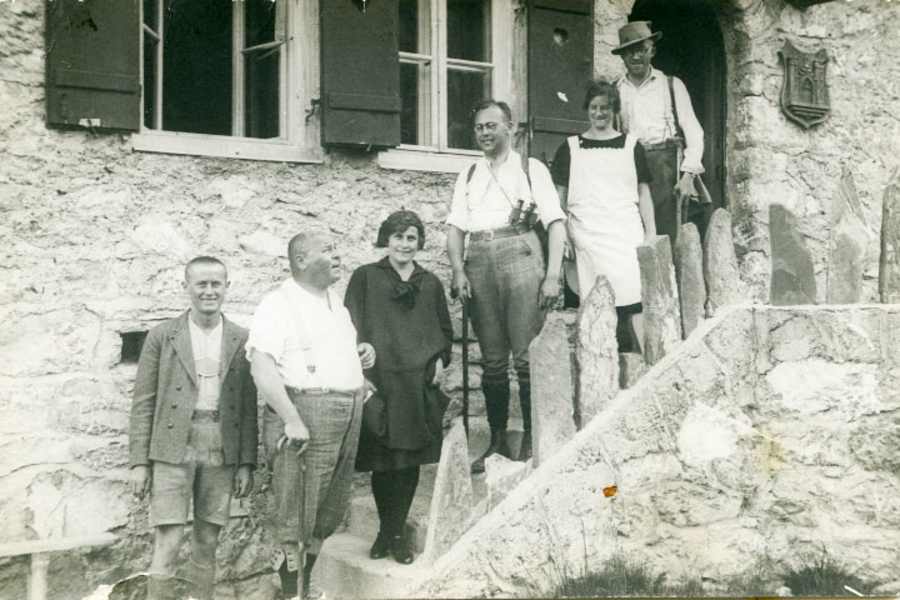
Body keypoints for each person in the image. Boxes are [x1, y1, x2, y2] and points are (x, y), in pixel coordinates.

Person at [247, 232, 375, 600]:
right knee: (297, 516)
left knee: (327, 514)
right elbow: (262, 366)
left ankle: (303, 591)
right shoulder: (278, 304)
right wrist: (291, 419)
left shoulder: (336, 303)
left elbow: (331, 354)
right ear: (302, 259)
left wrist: (361, 357)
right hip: (307, 416)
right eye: (329, 251)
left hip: (347, 413)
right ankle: (291, 594)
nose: (338, 256)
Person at [446, 99, 567, 473]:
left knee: (526, 357)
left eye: (492, 126)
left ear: (510, 128)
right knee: (493, 361)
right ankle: (497, 439)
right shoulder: (468, 174)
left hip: (520, 253)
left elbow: (556, 224)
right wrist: (457, 271)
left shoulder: (531, 170)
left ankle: (532, 438)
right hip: (478, 258)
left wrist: (552, 276)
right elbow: (455, 229)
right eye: (479, 127)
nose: (484, 132)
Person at [129, 256, 257, 600]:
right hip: (173, 447)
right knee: (168, 539)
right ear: (186, 287)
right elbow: (143, 402)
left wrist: (245, 462)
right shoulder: (162, 336)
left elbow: (247, 407)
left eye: (216, 283)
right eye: (201, 283)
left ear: (227, 287)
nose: (209, 291)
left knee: (207, 541)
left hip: (220, 447)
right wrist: (140, 463)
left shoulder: (242, 339)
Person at [344, 210, 453, 565]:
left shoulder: (431, 283)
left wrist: (439, 362)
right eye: (397, 237)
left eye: (411, 238)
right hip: (382, 381)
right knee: (382, 461)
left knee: (408, 461)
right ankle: (385, 531)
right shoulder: (365, 278)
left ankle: (395, 535)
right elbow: (349, 326)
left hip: (417, 383)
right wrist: (359, 372)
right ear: (385, 240)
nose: (404, 244)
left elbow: (444, 331)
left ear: (419, 242)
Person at [551, 80, 656, 352]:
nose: (600, 114)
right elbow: (558, 201)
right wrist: (563, 239)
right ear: (587, 109)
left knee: (634, 301)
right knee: (591, 306)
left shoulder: (633, 147)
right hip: (586, 238)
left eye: (606, 108)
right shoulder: (570, 148)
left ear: (615, 110)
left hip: (625, 236)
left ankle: (647, 364)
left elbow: (643, 194)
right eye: (595, 108)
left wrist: (651, 233)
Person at [613, 20, 708, 245]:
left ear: (651, 50)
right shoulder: (615, 89)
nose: (635, 57)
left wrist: (687, 176)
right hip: (631, 168)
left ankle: (669, 278)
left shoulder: (672, 85)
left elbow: (695, 133)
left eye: (640, 50)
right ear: (622, 57)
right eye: (628, 52)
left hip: (666, 170)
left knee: (668, 235)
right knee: (632, 232)